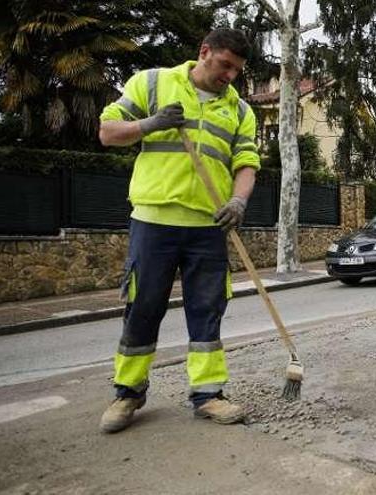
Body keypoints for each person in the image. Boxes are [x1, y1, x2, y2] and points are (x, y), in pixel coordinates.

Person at [97, 29, 260, 432]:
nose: (230, 77)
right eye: (225, 65)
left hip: (208, 226)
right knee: (143, 308)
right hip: (154, 222)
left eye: (237, 70)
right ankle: (128, 393)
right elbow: (107, 132)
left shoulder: (239, 110)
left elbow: (246, 163)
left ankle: (208, 394)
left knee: (207, 312)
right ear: (204, 52)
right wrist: (150, 124)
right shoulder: (152, 83)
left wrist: (238, 201)